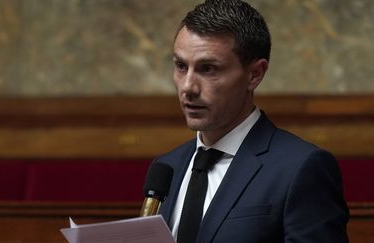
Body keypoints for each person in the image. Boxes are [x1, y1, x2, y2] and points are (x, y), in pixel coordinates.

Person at [149, 0, 349, 242]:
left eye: (208, 68)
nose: (188, 87)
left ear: (255, 74)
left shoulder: (301, 168)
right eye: (181, 66)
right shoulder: (167, 167)